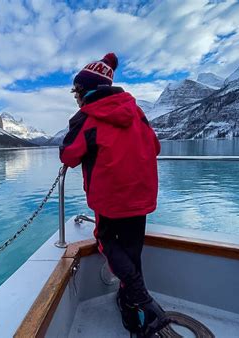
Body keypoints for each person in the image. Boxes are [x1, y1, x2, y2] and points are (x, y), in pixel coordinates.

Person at [59, 52, 168, 337]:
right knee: (132, 251)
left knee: (106, 240)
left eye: (77, 93)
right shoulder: (136, 111)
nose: (77, 99)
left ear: (85, 91)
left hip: (110, 200)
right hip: (141, 197)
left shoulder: (86, 117)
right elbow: (154, 147)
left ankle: (142, 299)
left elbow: (69, 156)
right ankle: (132, 313)